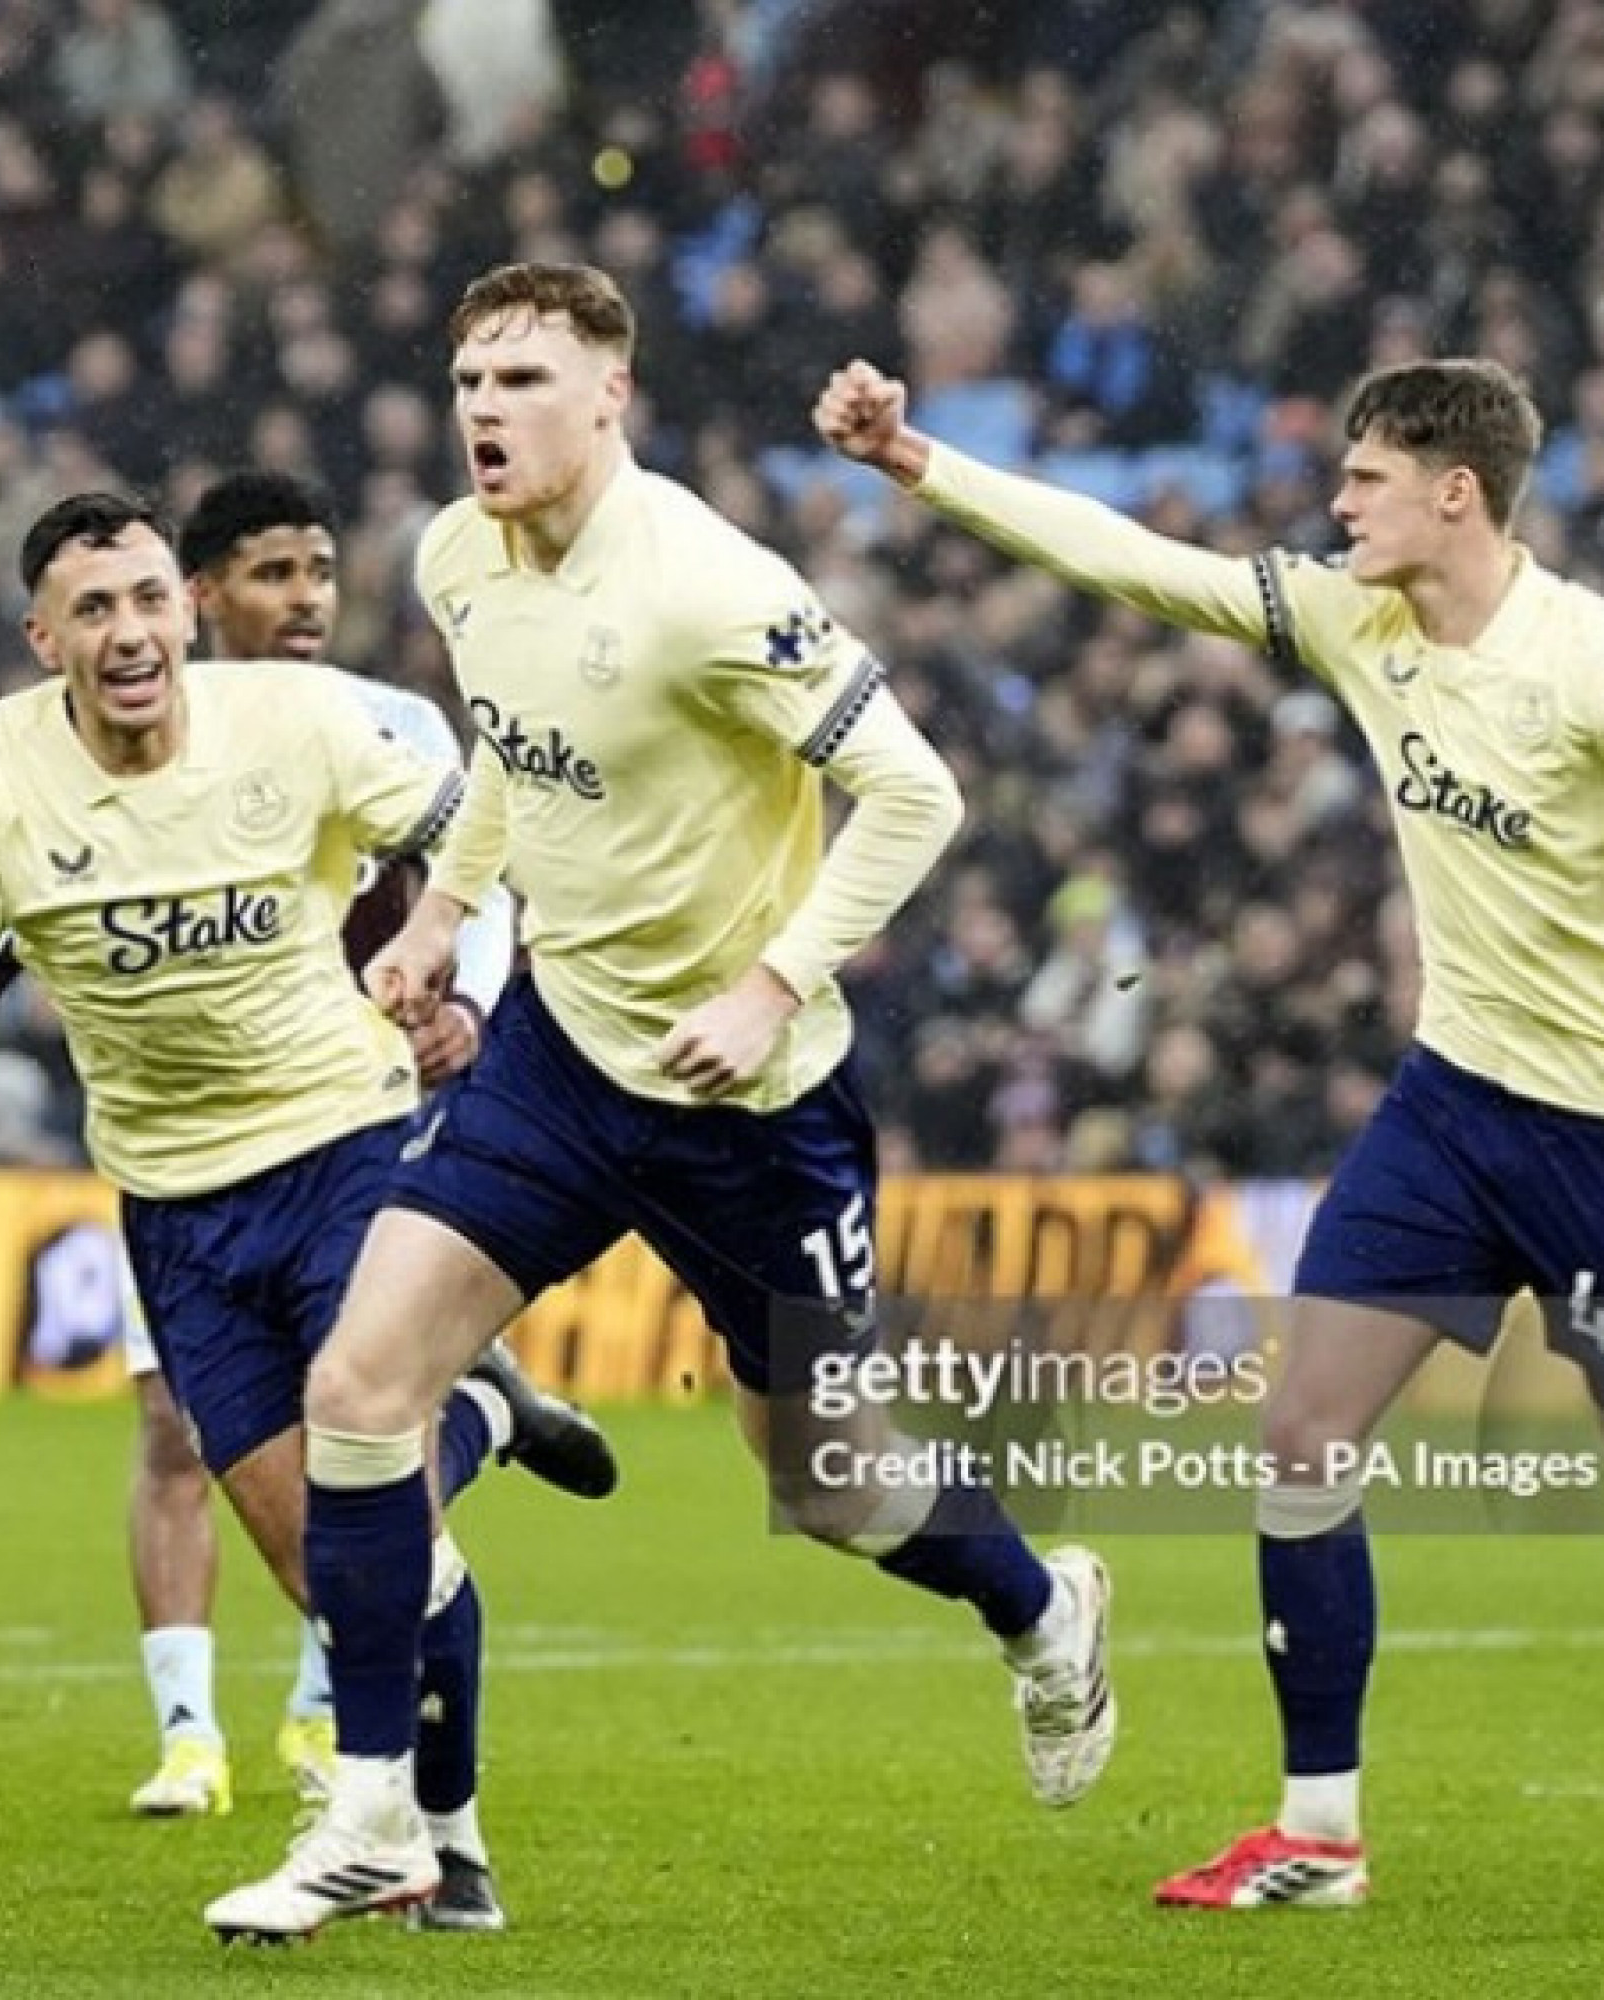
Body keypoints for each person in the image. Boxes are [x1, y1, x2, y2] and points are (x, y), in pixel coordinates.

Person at [202, 263, 1117, 1947]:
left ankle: (1042, 1607)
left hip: (753, 1107)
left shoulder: (710, 586)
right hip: (560, 1061)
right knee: (360, 1385)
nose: (485, 410)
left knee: (825, 1483)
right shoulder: (458, 555)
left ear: (611, 394)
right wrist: (441, 917)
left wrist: (773, 980)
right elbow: (511, 751)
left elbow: (917, 793)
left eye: (525, 380)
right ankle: (375, 1816)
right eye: (470, 378)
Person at [814, 352, 1604, 1909]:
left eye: (1365, 479)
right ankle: (1318, 1834)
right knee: (1303, 1436)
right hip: (1453, 1110)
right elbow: (1142, 565)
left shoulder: (1580, 664)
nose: (1336, 503)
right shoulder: (1360, 620)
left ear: (1457, 492)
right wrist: (919, 463)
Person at [0, 491, 587, 1932]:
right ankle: (477, 1436)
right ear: (44, 639)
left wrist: (445, 951)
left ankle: (415, 1836)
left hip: (347, 1149)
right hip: (174, 1212)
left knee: (375, 1515)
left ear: (188, 612)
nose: (130, 632)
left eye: (149, 599)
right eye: (93, 610)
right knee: (332, 1565)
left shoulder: (304, 721)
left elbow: (494, 820)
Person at [126, 469, 615, 1831]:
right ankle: (187, 1736)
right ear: (201, 594)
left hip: (353, 1118)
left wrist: (468, 1005)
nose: (307, 599)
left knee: (348, 1414)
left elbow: (485, 874)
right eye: (273, 573)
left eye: (322, 570)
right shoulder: (133, 737)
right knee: (174, 1429)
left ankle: (331, 1713)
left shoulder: (393, 723)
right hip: (180, 1135)